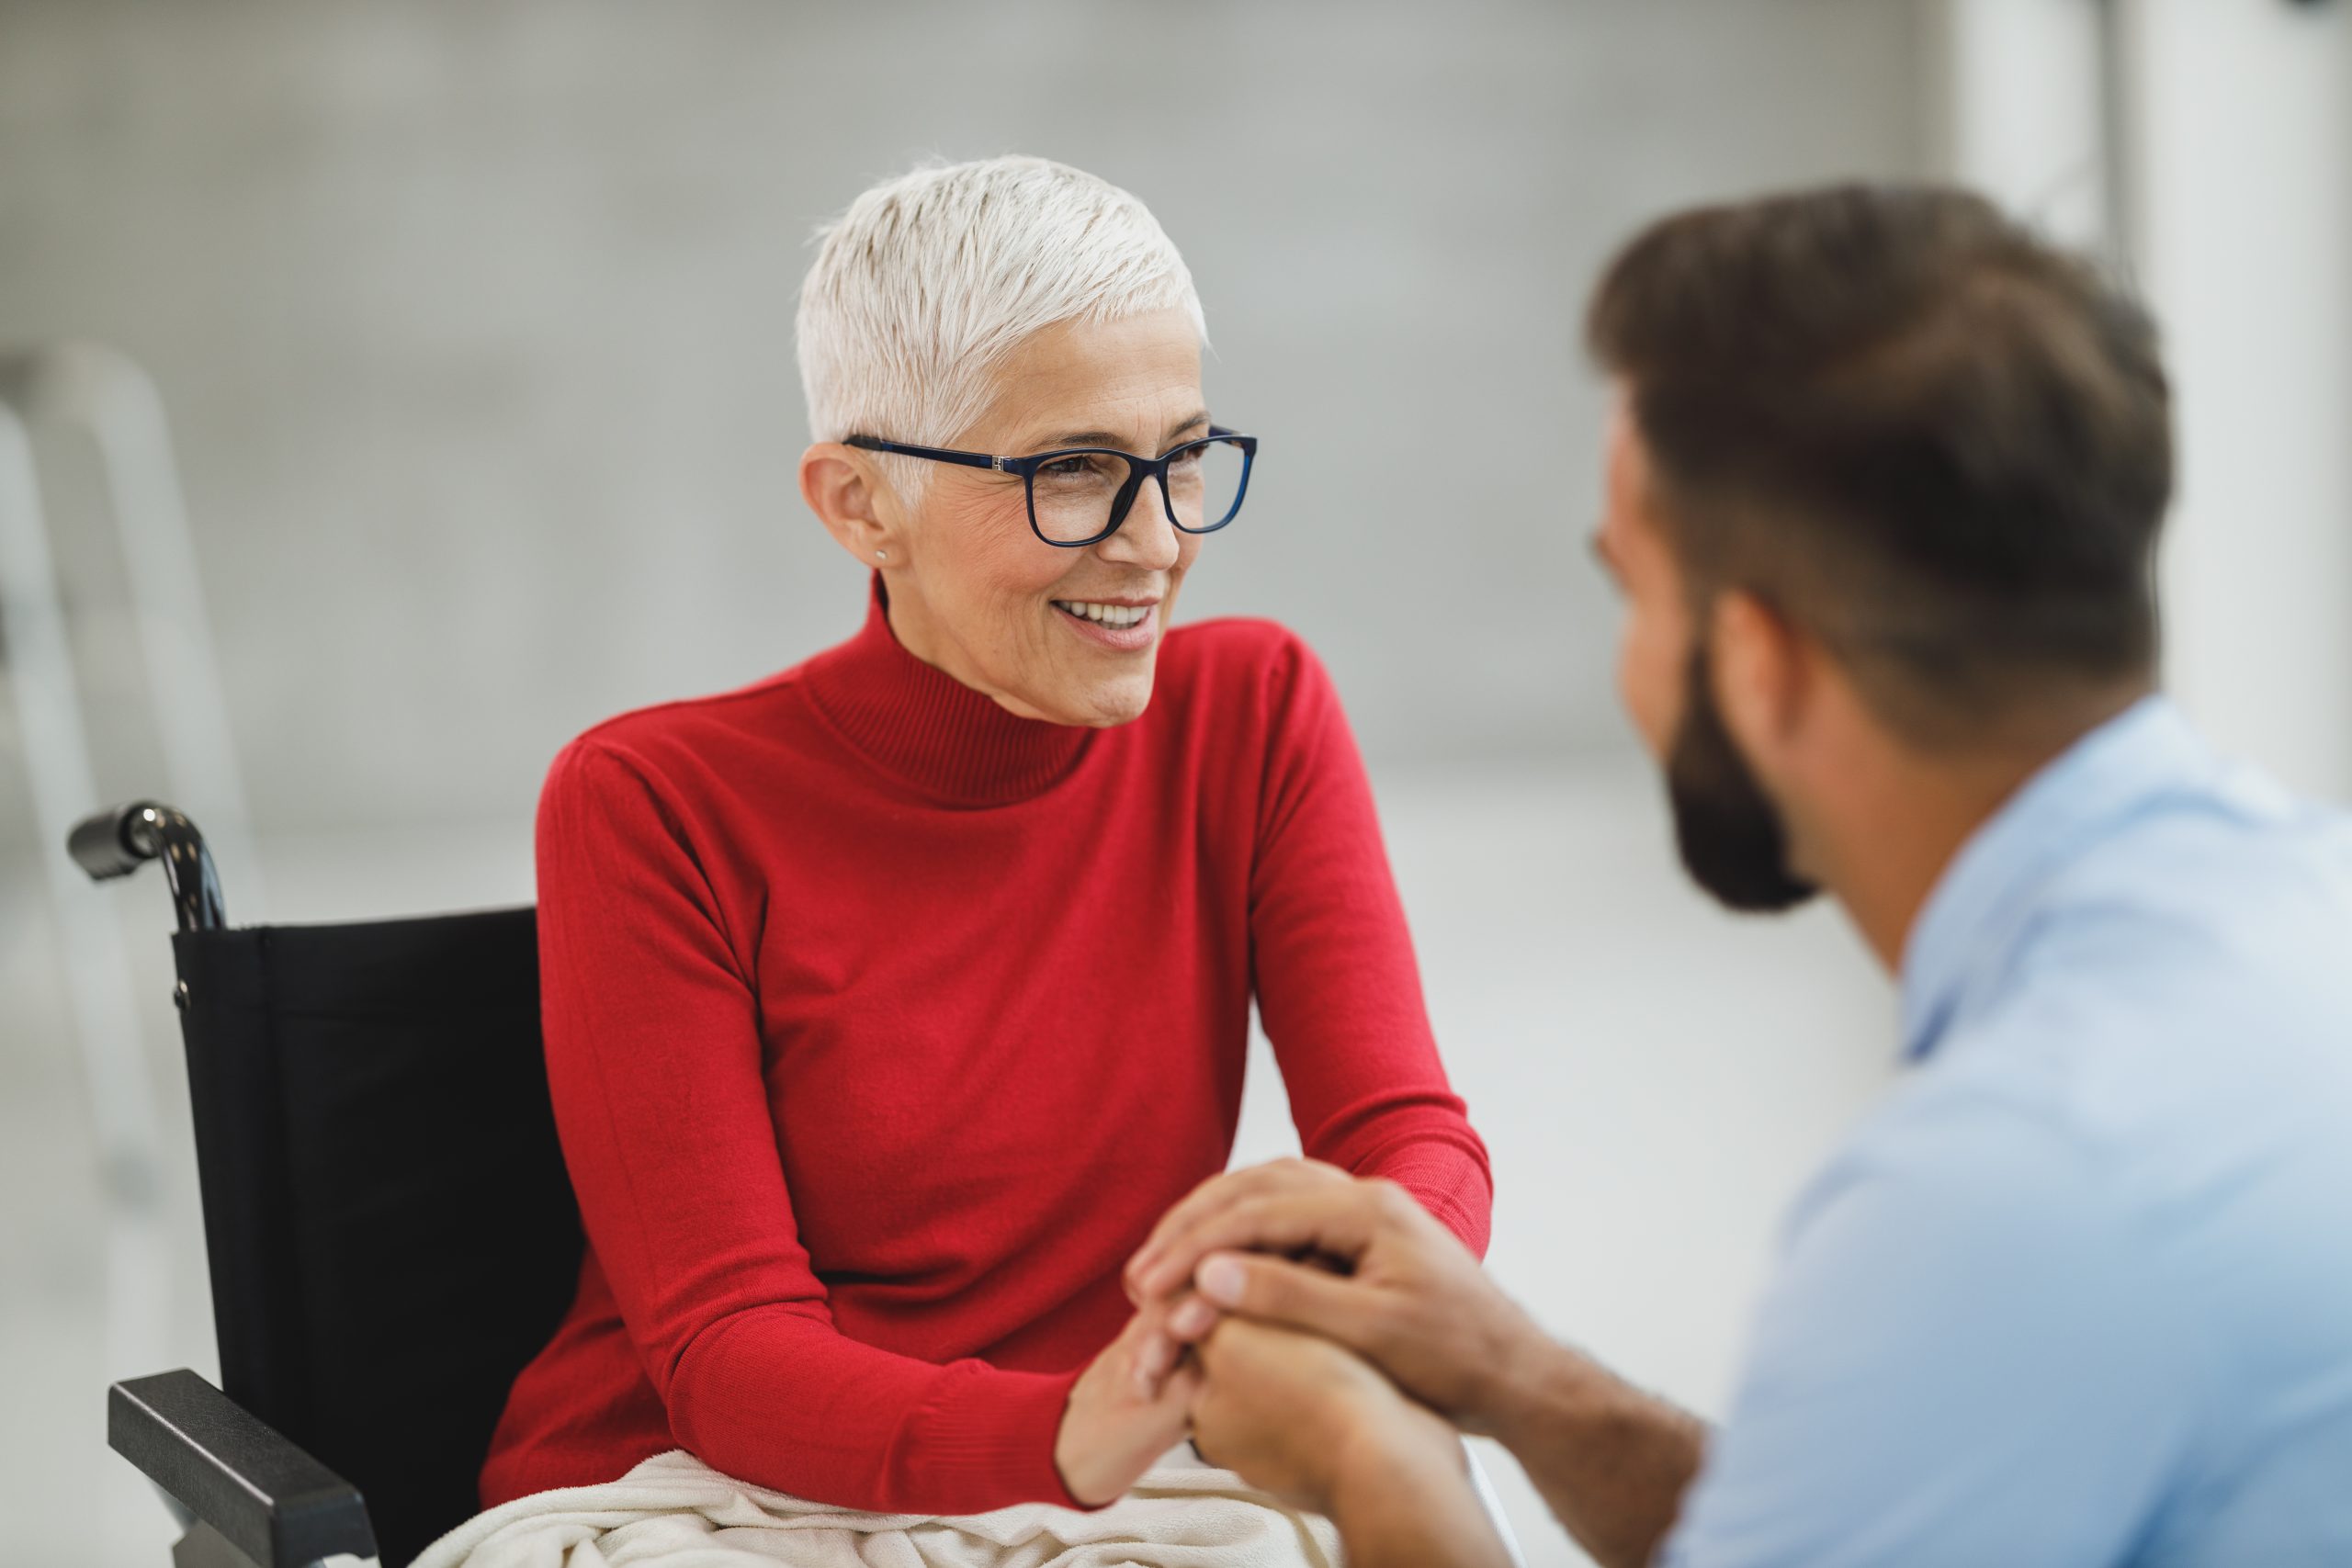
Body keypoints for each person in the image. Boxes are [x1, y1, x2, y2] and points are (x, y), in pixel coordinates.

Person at [1126, 185, 2352, 1565]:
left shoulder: (2001, 1196)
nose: (1628, 665)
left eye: (1634, 594)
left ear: (1760, 664)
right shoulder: (2300, 926)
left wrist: (1372, 1459)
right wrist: (1522, 1380)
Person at [475, 156, 1492, 1517]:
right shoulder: (651, 803)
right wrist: (1089, 1427)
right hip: (705, 1498)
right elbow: (727, 1354)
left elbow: (1405, 1137)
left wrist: (1342, 1289)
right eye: (1074, 472)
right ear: (858, 505)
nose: (1154, 542)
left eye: (1182, 458)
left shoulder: (1253, 713)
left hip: (1114, 1473)